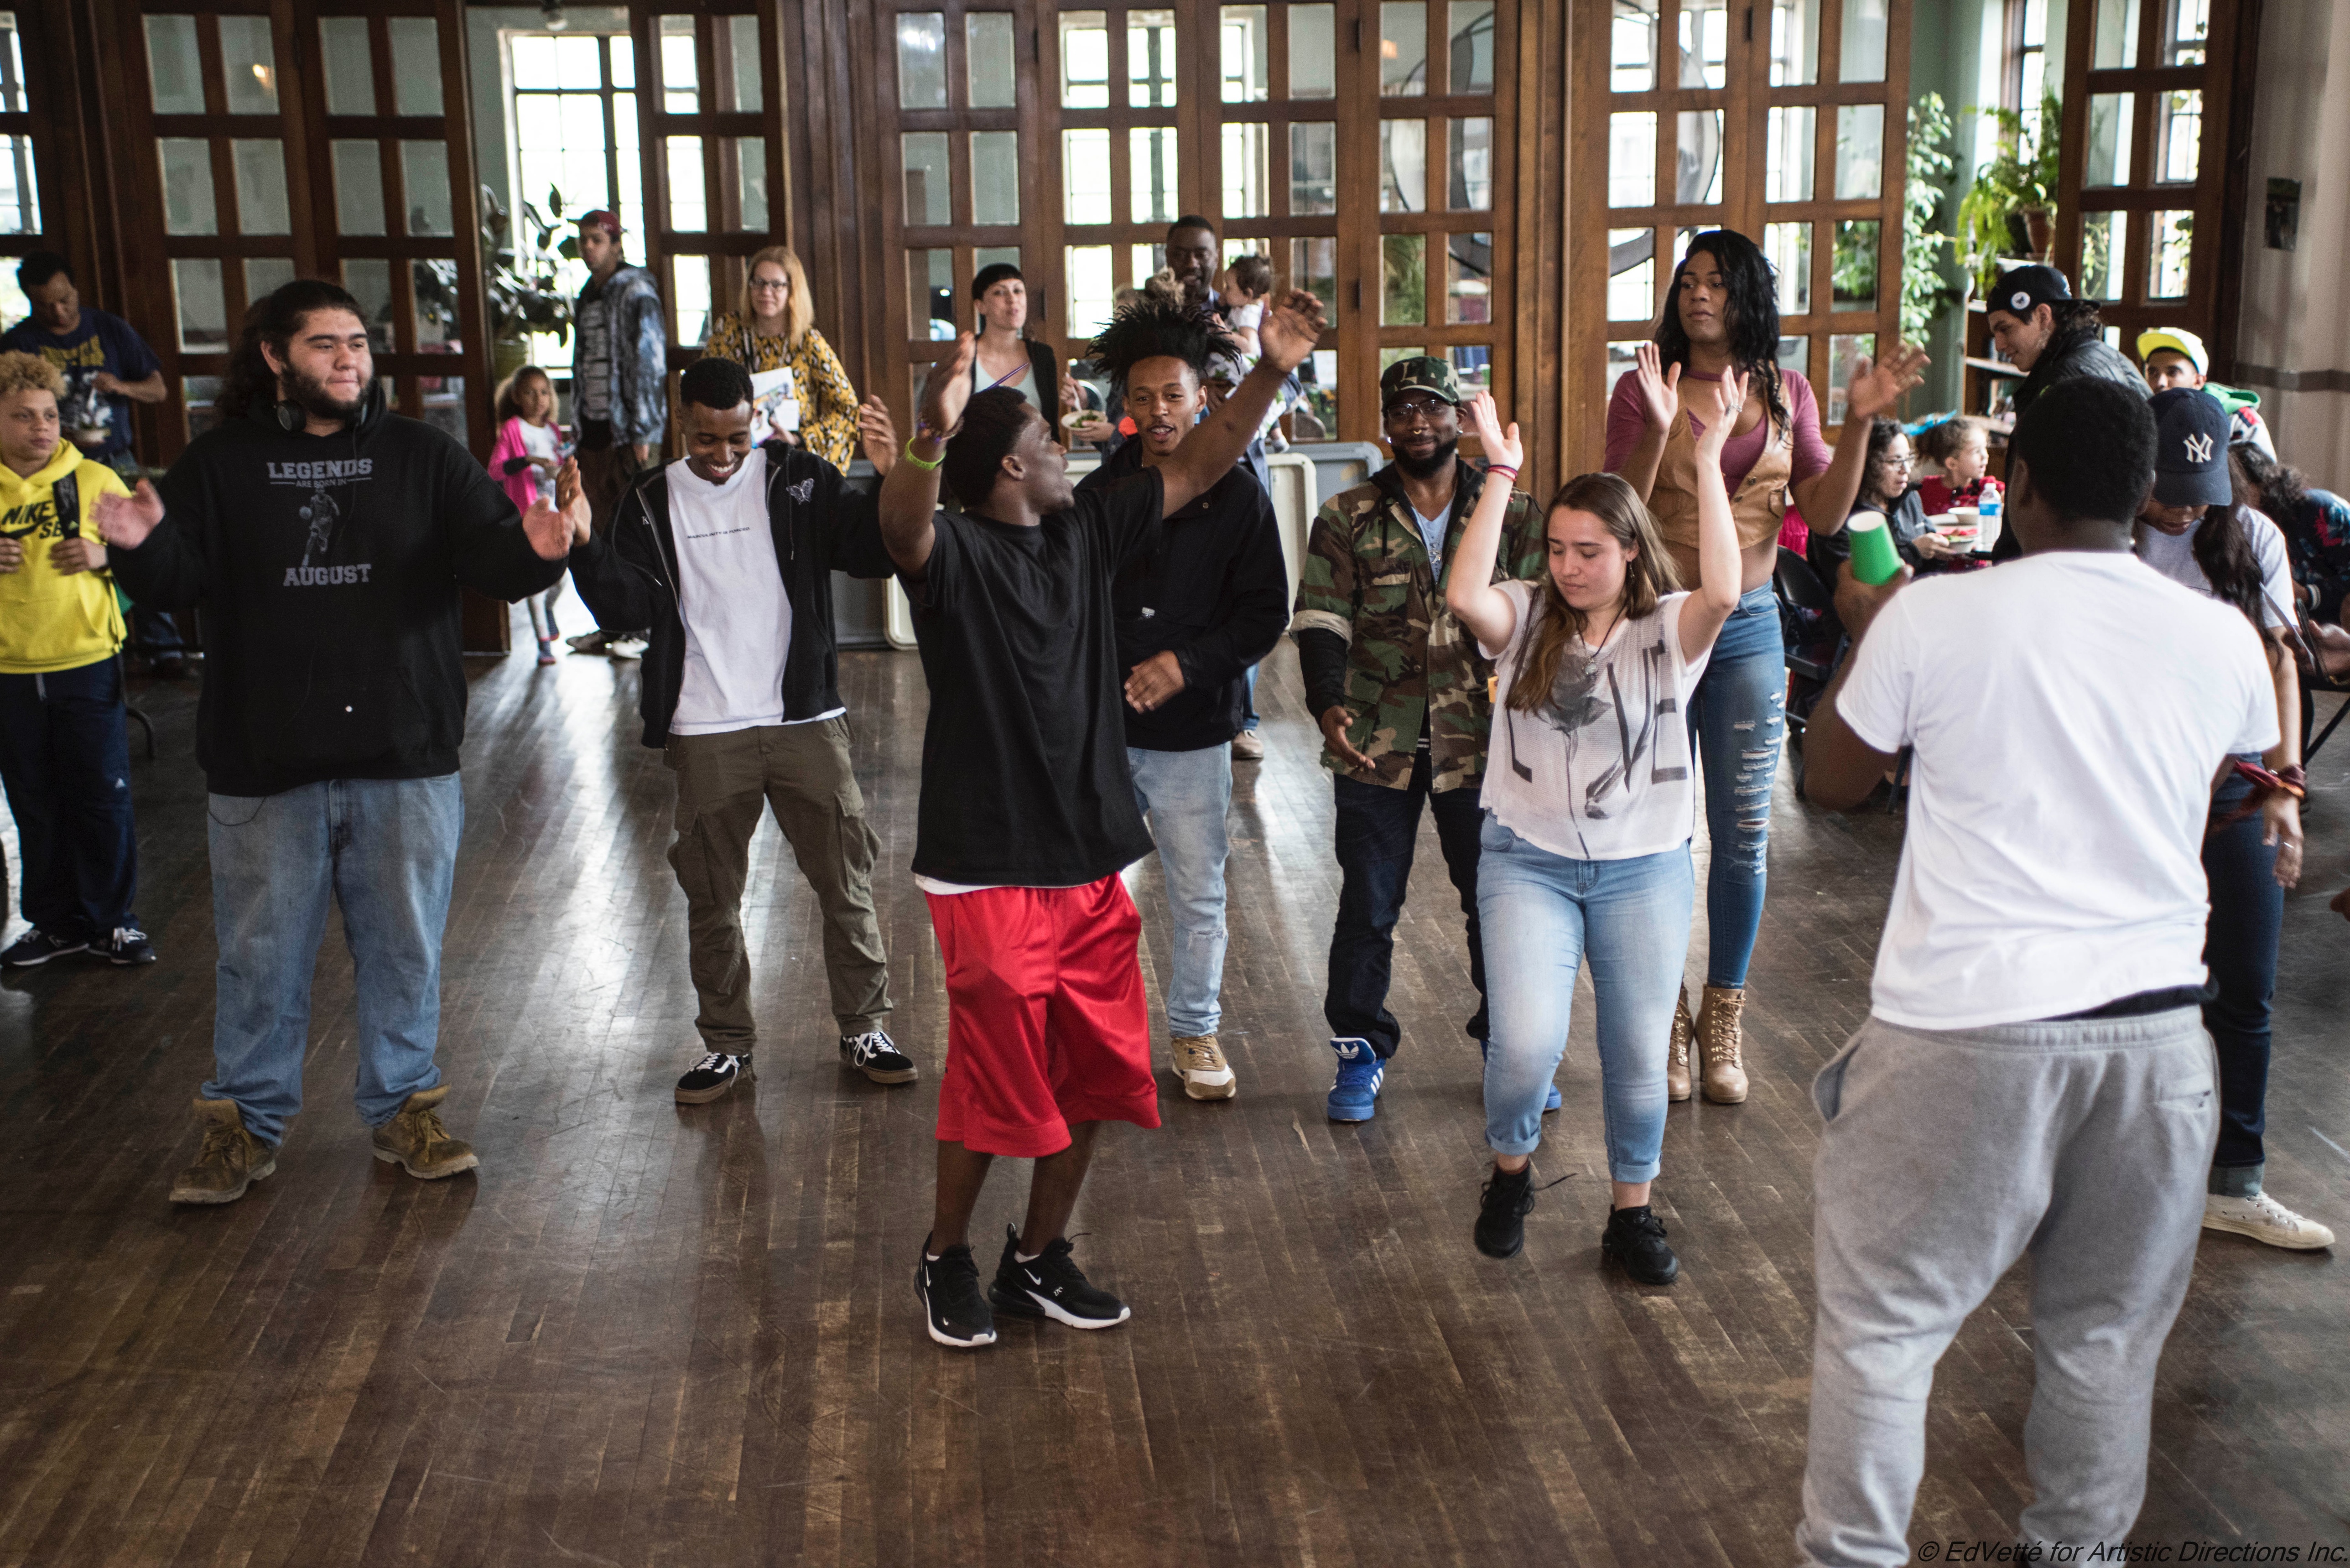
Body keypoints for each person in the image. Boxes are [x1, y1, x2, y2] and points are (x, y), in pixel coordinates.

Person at [1793, 378, 2279, 1563]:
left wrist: (1872, 629)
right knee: (2104, 1339)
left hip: (1967, 1027)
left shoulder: (1934, 614)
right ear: (2152, 492)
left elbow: (1833, 779)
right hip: (2161, 1036)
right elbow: (2239, 783)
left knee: (1885, 1331)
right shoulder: (2223, 637)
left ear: (2017, 489)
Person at [878, 289, 1325, 1350]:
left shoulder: (1087, 529)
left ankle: (1036, 1256)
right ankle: (944, 1255)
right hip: (986, 867)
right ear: (1004, 468)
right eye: (1044, 436)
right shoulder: (953, 553)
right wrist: (934, 431)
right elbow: (900, 522)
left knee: (1091, 1069)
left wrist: (1269, 370)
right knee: (995, 1081)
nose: (1066, 442)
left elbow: (1209, 460)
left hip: (1087, 860)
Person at [96, 279, 574, 1206]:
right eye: (324, 344)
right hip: (264, 759)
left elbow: (492, 561)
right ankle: (244, 1129)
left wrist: (541, 551)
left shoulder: (422, 458)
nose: (348, 358)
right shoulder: (222, 463)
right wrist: (140, 547)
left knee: (406, 951)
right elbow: (175, 580)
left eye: (357, 342)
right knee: (259, 958)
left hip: (402, 752)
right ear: (274, 357)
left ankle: (404, 1111)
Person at [1607, 233, 1927, 1105]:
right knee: (1655, 829)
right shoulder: (1645, 385)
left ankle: (1723, 1016)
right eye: (1686, 282)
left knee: (1742, 831)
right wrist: (1661, 423)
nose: (1697, 295)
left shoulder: (1784, 394)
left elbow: (1823, 513)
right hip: (1658, 622)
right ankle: (1668, 1015)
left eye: (1716, 282)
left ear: (1747, 296)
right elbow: (1617, 508)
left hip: (1748, 622)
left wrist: (1859, 417)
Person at [1446, 380, 1743, 1283]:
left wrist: (1703, 455)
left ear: (1628, 552)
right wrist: (1500, 471)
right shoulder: (1524, 613)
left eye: (1589, 552)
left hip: (1642, 868)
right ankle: (1510, 1172)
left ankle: (1632, 1213)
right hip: (1524, 860)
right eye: (1558, 550)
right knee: (1524, 1047)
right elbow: (1463, 593)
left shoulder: (1666, 628)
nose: (1568, 566)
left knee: (1634, 1054)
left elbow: (1727, 589)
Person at [566, 355, 915, 1106]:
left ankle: (865, 1026)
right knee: (712, 897)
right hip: (704, 725)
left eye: (736, 438)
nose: (723, 456)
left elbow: (871, 551)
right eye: (705, 440)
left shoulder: (799, 478)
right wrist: (584, 543)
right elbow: (626, 607)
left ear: (756, 418)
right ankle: (727, 1045)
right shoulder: (652, 499)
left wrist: (891, 480)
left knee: (845, 882)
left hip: (803, 719)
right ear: (681, 421)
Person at [1290, 356, 1546, 1124]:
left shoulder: (1516, 510)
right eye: (1403, 410)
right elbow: (1321, 620)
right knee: (1368, 905)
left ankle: (1512, 1047)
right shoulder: (1346, 515)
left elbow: (1539, 624)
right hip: (1376, 742)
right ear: (1384, 424)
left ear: (1459, 419)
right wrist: (1327, 702)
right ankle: (1358, 1054)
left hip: (1487, 743)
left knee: (1496, 903)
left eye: (1433, 408)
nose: (1419, 423)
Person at [1073, 294, 1288, 1103]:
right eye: (1141, 397)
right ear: (1121, 406)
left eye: (1174, 395)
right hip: (1102, 728)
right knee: (1093, 893)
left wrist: (1187, 664)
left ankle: (1194, 1030)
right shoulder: (1104, 493)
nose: (1159, 412)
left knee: (1198, 891)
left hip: (1192, 731)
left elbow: (1266, 611)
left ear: (1204, 397)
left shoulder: (1238, 497)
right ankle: (1099, 1037)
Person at [2132, 388, 2331, 1251]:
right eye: (2166, 484)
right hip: (2133, 789)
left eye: (2197, 485)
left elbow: (2279, 663)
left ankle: (2235, 1181)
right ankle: (2120, 1178)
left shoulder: (2250, 538)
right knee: (2137, 987)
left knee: (2245, 984)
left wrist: (2284, 788)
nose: (2182, 504)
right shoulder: (2103, 537)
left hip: (2236, 788)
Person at [0, 350, 152, 969]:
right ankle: (54, 922)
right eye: (21, 416)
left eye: (48, 415)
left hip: (85, 660)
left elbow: (155, 562)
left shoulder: (95, 480)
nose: (41, 428)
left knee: (101, 791)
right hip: (9, 670)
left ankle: (115, 921)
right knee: (31, 798)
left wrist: (107, 558)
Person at [2, 250, 181, 676]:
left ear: (76, 289)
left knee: (136, 544)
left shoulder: (109, 329)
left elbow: (158, 390)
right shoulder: (19, 343)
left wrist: (120, 386)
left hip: (111, 458)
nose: (59, 311)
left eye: (65, 299)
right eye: (45, 305)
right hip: (41, 468)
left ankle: (165, 648)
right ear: (29, 300)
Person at [564, 210, 665, 660]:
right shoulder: (589, 294)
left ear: (616, 245)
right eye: (583, 241)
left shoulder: (636, 291)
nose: (589, 248)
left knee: (636, 528)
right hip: (594, 431)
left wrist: (643, 429)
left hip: (630, 432)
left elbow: (648, 361)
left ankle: (641, 626)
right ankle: (610, 623)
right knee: (596, 529)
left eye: (597, 241)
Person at [701, 245, 884, 472]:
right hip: (734, 457)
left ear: (792, 290)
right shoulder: (729, 331)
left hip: (791, 464)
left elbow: (847, 408)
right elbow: (702, 388)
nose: (766, 291)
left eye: (776, 285)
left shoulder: (808, 341)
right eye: (758, 282)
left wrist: (800, 439)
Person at [1805, 419, 1966, 583]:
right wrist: (1914, 551)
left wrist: (1940, 552)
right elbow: (1856, 583)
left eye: (1908, 459)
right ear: (1867, 463)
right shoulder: (1838, 512)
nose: (1906, 470)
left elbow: (1927, 571)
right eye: (1896, 461)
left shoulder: (1909, 498)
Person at [489, 365, 570, 664]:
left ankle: (549, 610)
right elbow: (496, 469)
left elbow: (558, 465)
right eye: (530, 393)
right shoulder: (512, 429)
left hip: (555, 513)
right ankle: (544, 645)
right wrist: (529, 460)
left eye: (544, 392)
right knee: (537, 580)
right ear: (516, 397)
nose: (539, 399)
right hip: (529, 516)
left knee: (561, 576)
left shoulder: (552, 430)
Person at [2232, 441, 2350, 629]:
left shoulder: (2321, 509)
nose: (2233, 498)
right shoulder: (2242, 528)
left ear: (2261, 483)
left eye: (2237, 486)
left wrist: (2308, 594)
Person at [2138, 326, 2276, 458]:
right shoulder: (2146, 414)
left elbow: (2264, 478)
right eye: (2153, 372)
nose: (2160, 382)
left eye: (2173, 372)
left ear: (2198, 381)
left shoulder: (2238, 420)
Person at [1911, 414, 2002, 516]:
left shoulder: (1989, 489)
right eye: (1976, 451)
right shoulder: (1925, 490)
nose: (1985, 456)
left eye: (1985, 448)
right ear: (1952, 464)